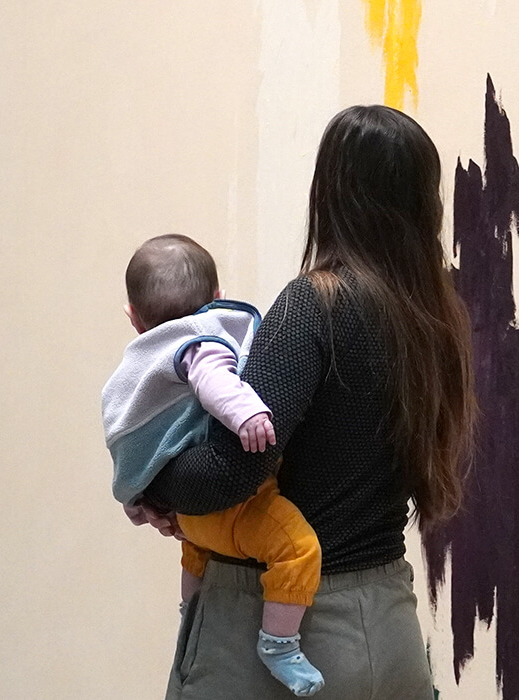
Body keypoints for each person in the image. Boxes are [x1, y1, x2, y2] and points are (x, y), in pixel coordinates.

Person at [131, 104, 475, 700]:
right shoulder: (434, 318)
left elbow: (231, 471)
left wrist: (149, 484)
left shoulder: (314, 305)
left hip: (283, 638)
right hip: (389, 627)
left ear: (331, 192)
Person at [101, 234, 326, 696]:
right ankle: (279, 644)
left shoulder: (141, 361)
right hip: (233, 516)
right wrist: (246, 413)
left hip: (189, 524)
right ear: (217, 299)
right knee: (298, 549)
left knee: (196, 550)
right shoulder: (199, 342)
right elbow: (213, 379)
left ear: (133, 318)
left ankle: (192, 610)